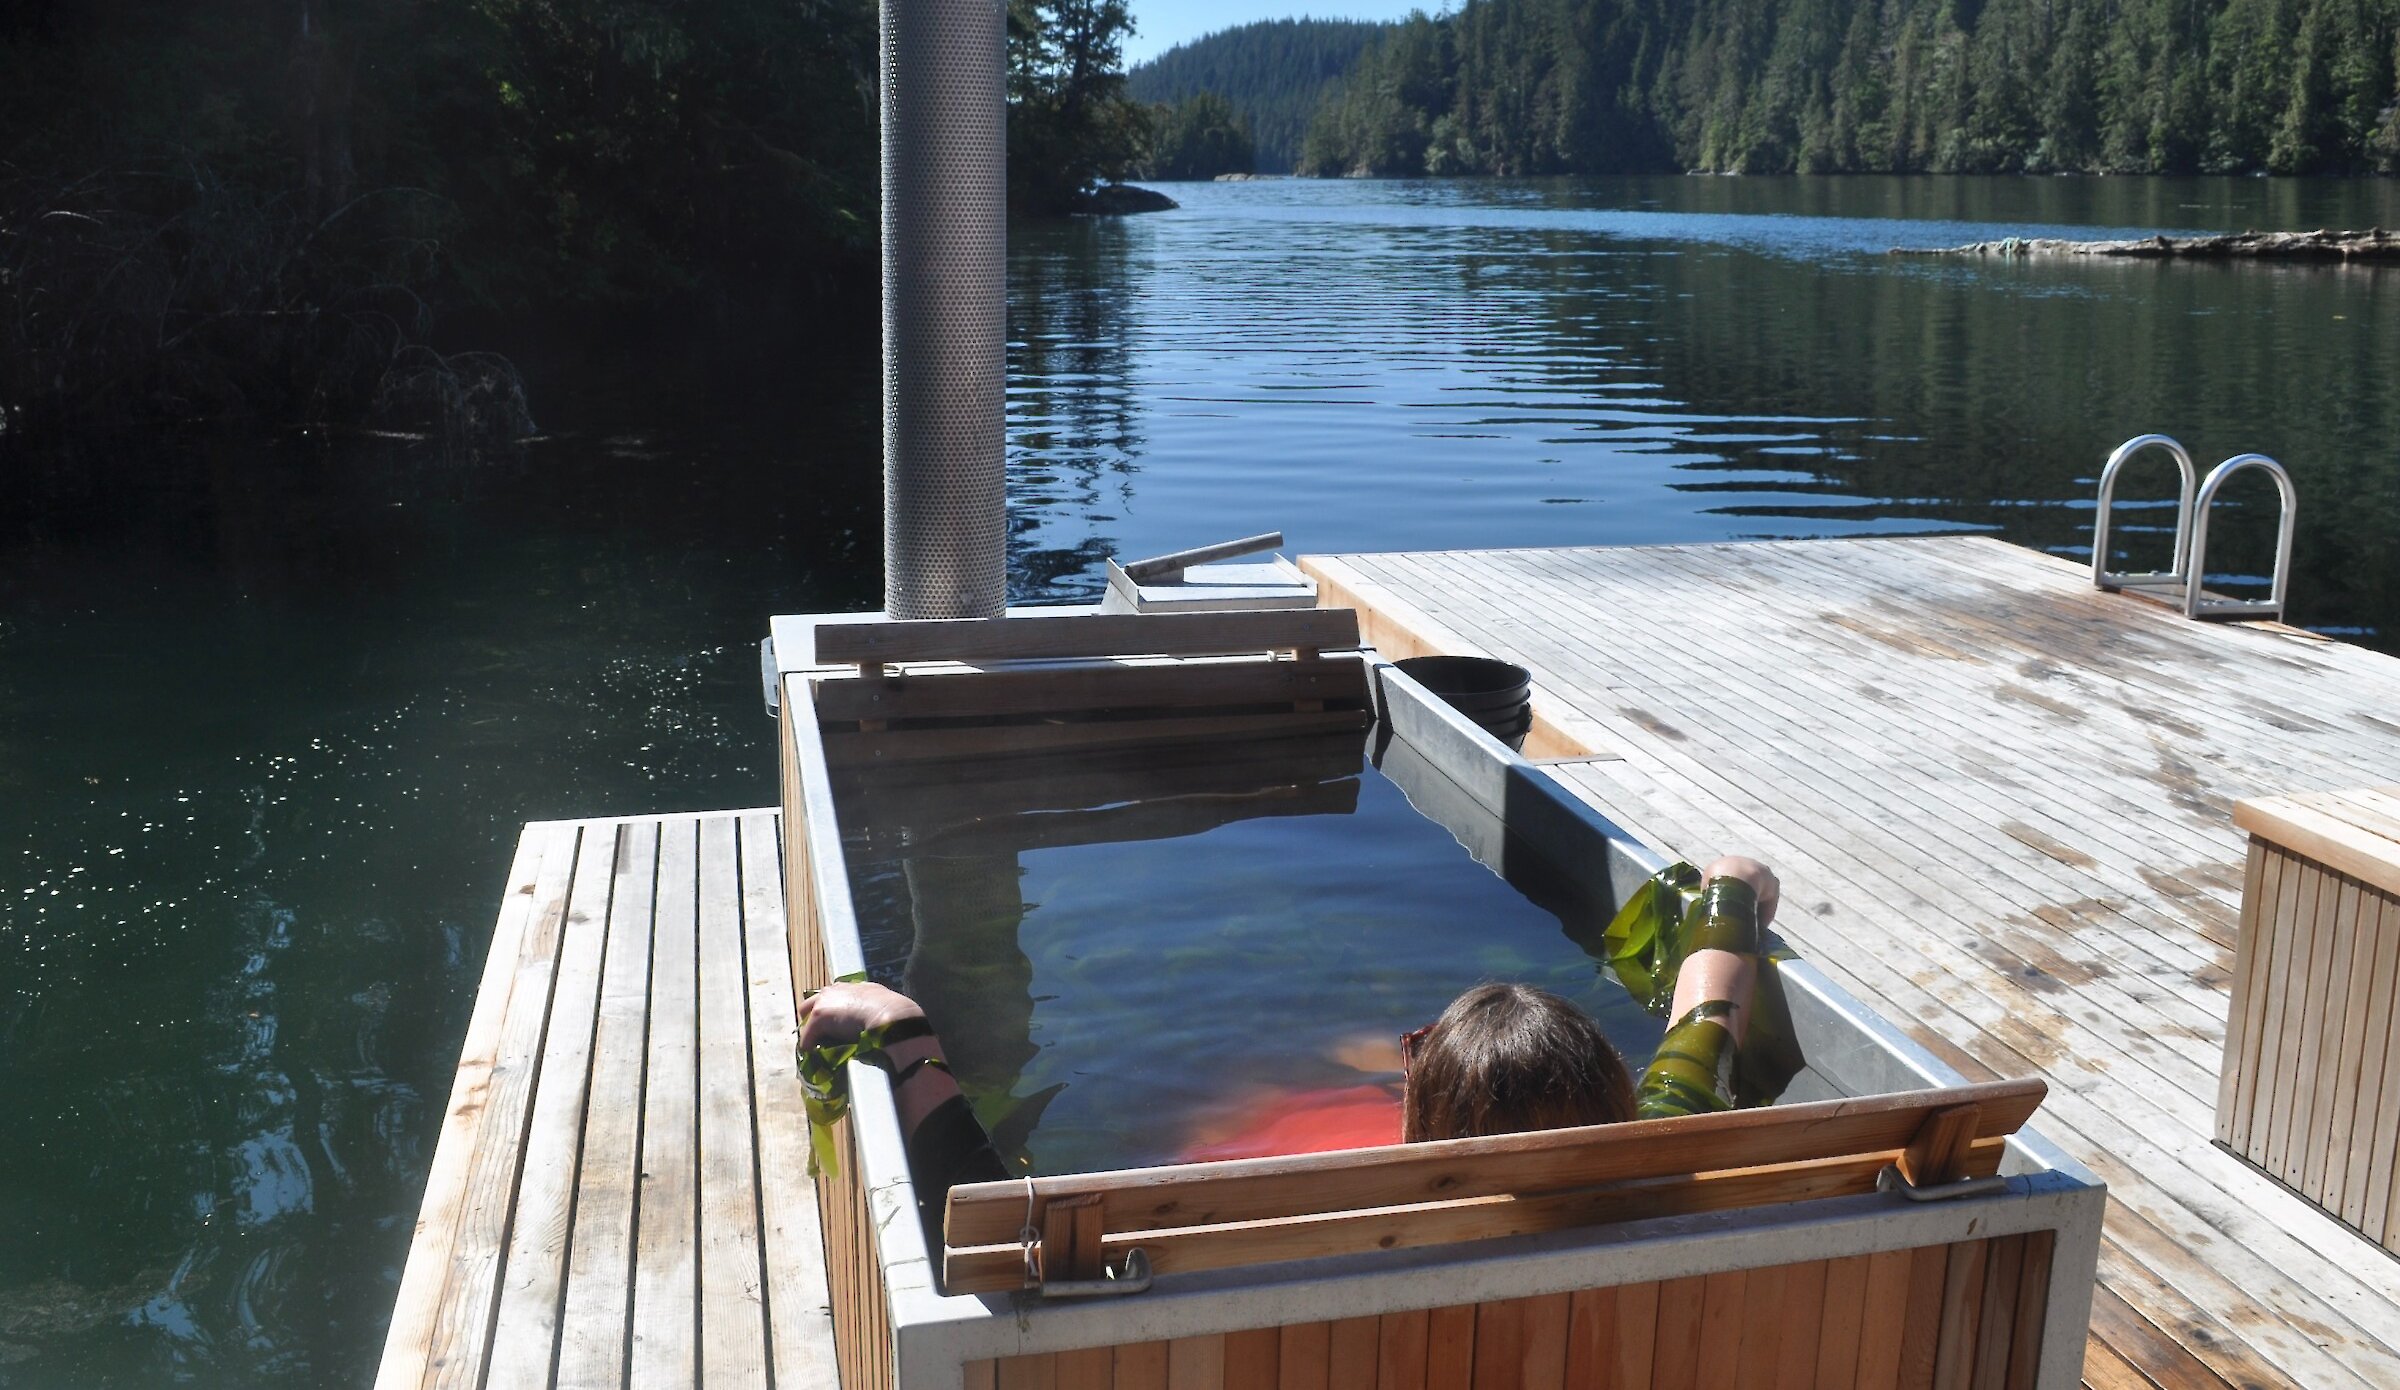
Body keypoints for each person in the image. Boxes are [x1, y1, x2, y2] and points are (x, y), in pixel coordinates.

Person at [797, 856, 1780, 1237]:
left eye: (1417, 1056)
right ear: (1611, 1087)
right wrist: (1731, 891)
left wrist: (905, 1034)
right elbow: (1709, 1015)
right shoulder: (1665, 1141)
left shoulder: (1324, 1237)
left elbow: (1001, 1232)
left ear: (1418, 1112)